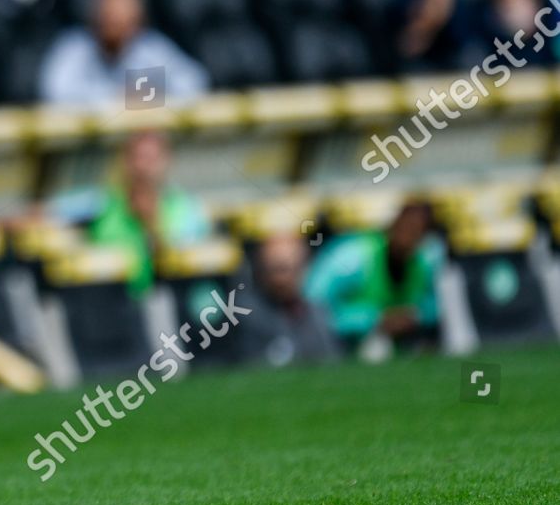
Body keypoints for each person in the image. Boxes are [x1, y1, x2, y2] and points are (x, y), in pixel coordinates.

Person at [49, 130, 213, 298]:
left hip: (169, 302)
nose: (142, 167)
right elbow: (44, 213)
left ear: (167, 160)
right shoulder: (102, 202)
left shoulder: (185, 208)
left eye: (151, 159)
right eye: (137, 158)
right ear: (125, 161)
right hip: (109, 302)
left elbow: (179, 264)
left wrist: (151, 222)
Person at [37, 0, 209, 110]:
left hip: (140, 139)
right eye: (108, 19)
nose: (113, 29)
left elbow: (194, 83)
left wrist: (141, 98)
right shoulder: (74, 47)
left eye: (122, 23)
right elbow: (55, 94)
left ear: (137, 24)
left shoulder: (151, 48)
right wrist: (120, 99)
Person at [306, 201, 443, 356]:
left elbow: (437, 306)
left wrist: (415, 316)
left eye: (418, 233)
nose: (409, 238)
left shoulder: (425, 260)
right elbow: (312, 304)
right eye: (407, 229)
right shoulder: (353, 257)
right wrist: (373, 319)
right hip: (340, 343)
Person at [237, 232, 340, 367]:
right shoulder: (245, 315)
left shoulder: (318, 312)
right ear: (261, 270)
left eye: (294, 268)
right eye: (278, 269)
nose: (284, 279)